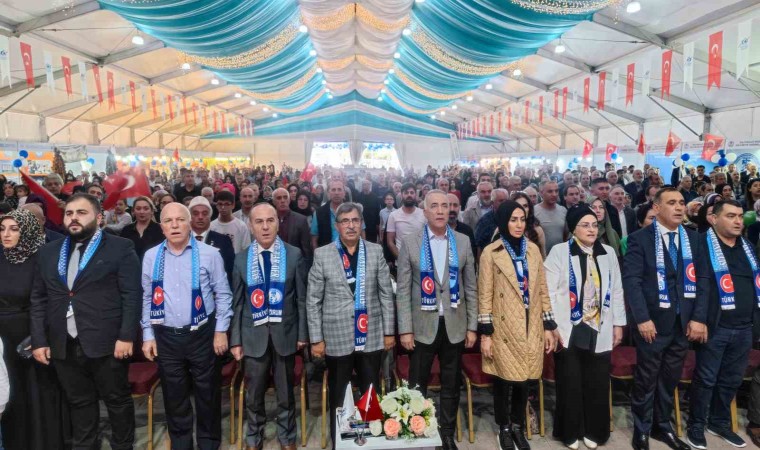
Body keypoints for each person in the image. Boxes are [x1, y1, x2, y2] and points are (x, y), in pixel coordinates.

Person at [31, 193, 141, 450]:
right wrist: (39, 340)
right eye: (69, 213)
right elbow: (39, 299)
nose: (74, 218)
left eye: (81, 213)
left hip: (107, 342)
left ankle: (122, 445)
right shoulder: (49, 252)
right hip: (63, 342)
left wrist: (126, 336)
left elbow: (132, 295)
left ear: (99, 218)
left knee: (117, 401)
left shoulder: (120, 248)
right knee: (79, 402)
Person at [141, 202, 233, 450]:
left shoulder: (209, 254)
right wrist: (148, 335)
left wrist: (221, 331)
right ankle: (181, 444)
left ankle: (209, 443)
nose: (175, 225)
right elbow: (147, 298)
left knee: (207, 395)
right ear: (161, 227)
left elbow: (223, 294)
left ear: (189, 222)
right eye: (169, 221)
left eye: (180, 219)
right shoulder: (151, 256)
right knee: (174, 397)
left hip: (203, 334)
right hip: (166, 337)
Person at [623, 187, 708, 450]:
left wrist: (698, 318)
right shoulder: (641, 239)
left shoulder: (694, 239)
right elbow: (633, 282)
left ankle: (663, 426)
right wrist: (642, 319)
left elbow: (703, 281)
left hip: (683, 324)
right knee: (647, 379)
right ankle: (642, 429)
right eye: (672, 203)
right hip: (652, 323)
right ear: (657, 208)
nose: (680, 207)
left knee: (669, 379)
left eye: (682, 202)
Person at [306, 203, 394, 449]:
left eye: (355, 220)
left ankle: (371, 441)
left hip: (372, 334)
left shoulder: (375, 251)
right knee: (339, 393)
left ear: (362, 223)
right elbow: (313, 300)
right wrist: (316, 339)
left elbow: (386, 294)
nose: (351, 225)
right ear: (337, 226)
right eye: (345, 221)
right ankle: (341, 443)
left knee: (370, 390)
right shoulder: (323, 254)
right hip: (337, 336)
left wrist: (389, 332)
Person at [396, 190, 477, 450]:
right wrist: (405, 330)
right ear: (425, 211)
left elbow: (471, 287)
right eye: (435, 206)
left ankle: (446, 434)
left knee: (451, 384)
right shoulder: (410, 243)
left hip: (455, 325)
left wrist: (472, 326)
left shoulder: (463, 241)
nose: (441, 210)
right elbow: (404, 290)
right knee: (418, 383)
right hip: (422, 326)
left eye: (445, 205)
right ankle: (418, 432)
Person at [544, 205, 626, 449]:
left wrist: (619, 324)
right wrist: (550, 324)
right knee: (570, 381)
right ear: (573, 229)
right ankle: (570, 431)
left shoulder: (608, 252)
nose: (591, 229)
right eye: (585, 225)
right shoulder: (560, 252)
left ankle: (595, 431)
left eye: (594, 225)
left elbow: (618, 288)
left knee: (598, 381)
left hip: (600, 324)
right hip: (569, 325)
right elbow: (547, 290)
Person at [478, 200, 558, 450]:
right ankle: (503, 427)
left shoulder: (533, 250)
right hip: (504, 327)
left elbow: (543, 289)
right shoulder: (491, 252)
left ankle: (517, 426)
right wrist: (486, 334)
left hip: (530, 324)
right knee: (503, 380)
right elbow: (484, 295)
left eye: (522, 219)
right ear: (503, 221)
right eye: (513, 219)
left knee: (525, 380)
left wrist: (548, 325)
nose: (518, 224)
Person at [230, 203, 307, 450]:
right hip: (252, 336)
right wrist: (235, 340)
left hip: (285, 335)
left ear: (277, 223)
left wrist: (303, 334)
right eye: (259, 222)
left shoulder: (293, 254)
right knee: (253, 395)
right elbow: (238, 303)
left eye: (270, 221)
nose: (265, 226)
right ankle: (254, 436)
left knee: (286, 393)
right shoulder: (241, 259)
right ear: (250, 226)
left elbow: (302, 299)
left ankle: (287, 436)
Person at [687, 200, 758, 448]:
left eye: (740, 216)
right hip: (714, 325)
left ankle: (718, 422)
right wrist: (697, 318)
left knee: (731, 379)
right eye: (731, 216)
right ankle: (695, 425)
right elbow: (695, 286)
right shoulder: (699, 244)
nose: (738, 221)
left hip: (744, 326)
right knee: (706, 379)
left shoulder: (747, 246)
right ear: (713, 219)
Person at [0, 210, 68, 450]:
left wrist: (40, 336)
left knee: (37, 395)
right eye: (2, 228)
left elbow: (51, 301)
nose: (6, 234)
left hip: (34, 337)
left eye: (13, 229)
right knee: (10, 395)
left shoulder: (42, 258)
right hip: (3, 341)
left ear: (27, 230)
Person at [272, 188, 313, 265]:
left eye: (285, 197)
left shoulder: (301, 220)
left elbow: (306, 249)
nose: (282, 200)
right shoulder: (268, 219)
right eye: (279, 198)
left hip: (294, 265)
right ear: (273, 201)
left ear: (289, 200)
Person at [386, 183, 426, 259]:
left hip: (421, 261)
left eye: (412, 192)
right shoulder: (393, 215)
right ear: (401, 195)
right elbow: (390, 242)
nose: (409, 195)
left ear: (416, 195)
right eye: (406, 193)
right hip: (401, 261)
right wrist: (401, 259)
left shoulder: (424, 214)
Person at [120, 196, 164, 261]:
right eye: (138, 209)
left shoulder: (160, 229)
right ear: (133, 211)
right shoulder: (126, 230)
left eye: (146, 209)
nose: (142, 212)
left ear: (152, 211)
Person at [211, 190, 251, 254]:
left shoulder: (241, 226)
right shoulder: (211, 226)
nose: (223, 207)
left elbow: (246, 249)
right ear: (216, 206)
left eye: (227, 204)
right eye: (220, 204)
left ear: (233, 205)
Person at [534, 180, 567, 254]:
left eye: (556, 191)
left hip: (560, 255)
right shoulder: (534, 211)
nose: (554, 194)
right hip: (541, 256)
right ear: (541, 193)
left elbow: (565, 235)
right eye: (550, 191)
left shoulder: (563, 210)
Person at [512, 192, 546, 258]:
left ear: (529, 208)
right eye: (518, 206)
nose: (522, 209)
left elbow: (543, 257)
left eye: (525, 206)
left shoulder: (537, 230)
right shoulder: (501, 229)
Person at [447, 193, 476, 259]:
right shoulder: (435, 230)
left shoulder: (467, 231)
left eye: (455, 205)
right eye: (448, 205)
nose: (452, 209)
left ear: (459, 208)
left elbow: (472, 257)